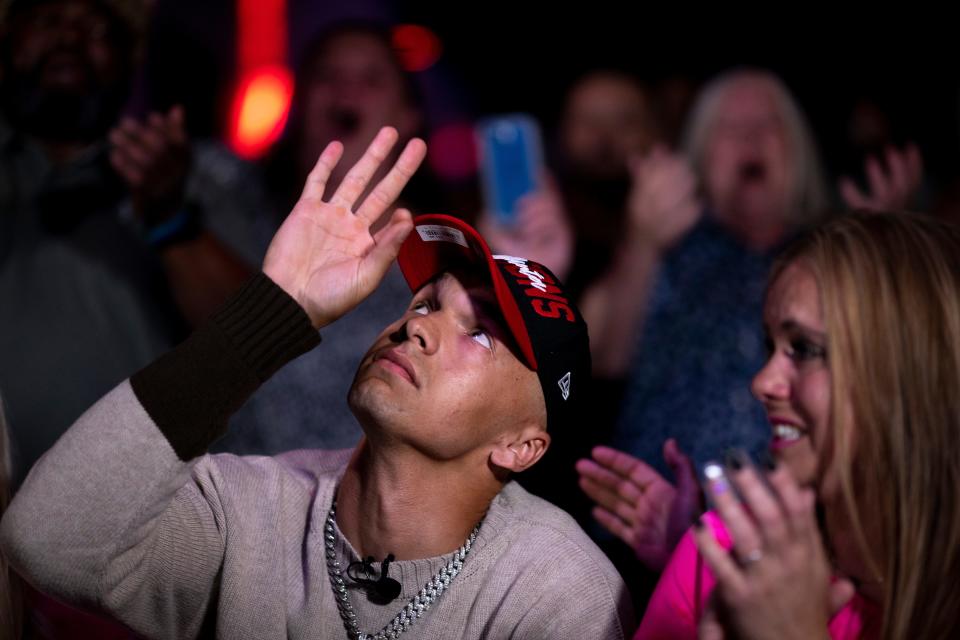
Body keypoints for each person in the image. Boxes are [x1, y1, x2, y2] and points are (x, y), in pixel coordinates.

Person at [0, 127, 634, 639]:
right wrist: (276, 310)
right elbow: (46, 539)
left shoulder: (557, 590)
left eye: (480, 334)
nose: (420, 328)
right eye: (423, 303)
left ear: (521, 446)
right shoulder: (250, 508)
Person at [588, 212, 960, 638]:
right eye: (771, 345)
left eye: (804, 348)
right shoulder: (723, 551)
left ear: (911, 374)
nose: (762, 382)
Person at [0, 0, 266, 480]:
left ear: (131, 59)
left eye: (97, 26)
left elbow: (256, 337)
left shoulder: (195, 174)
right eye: (46, 18)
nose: (69, 37)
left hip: (138, 521)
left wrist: (169, 217)